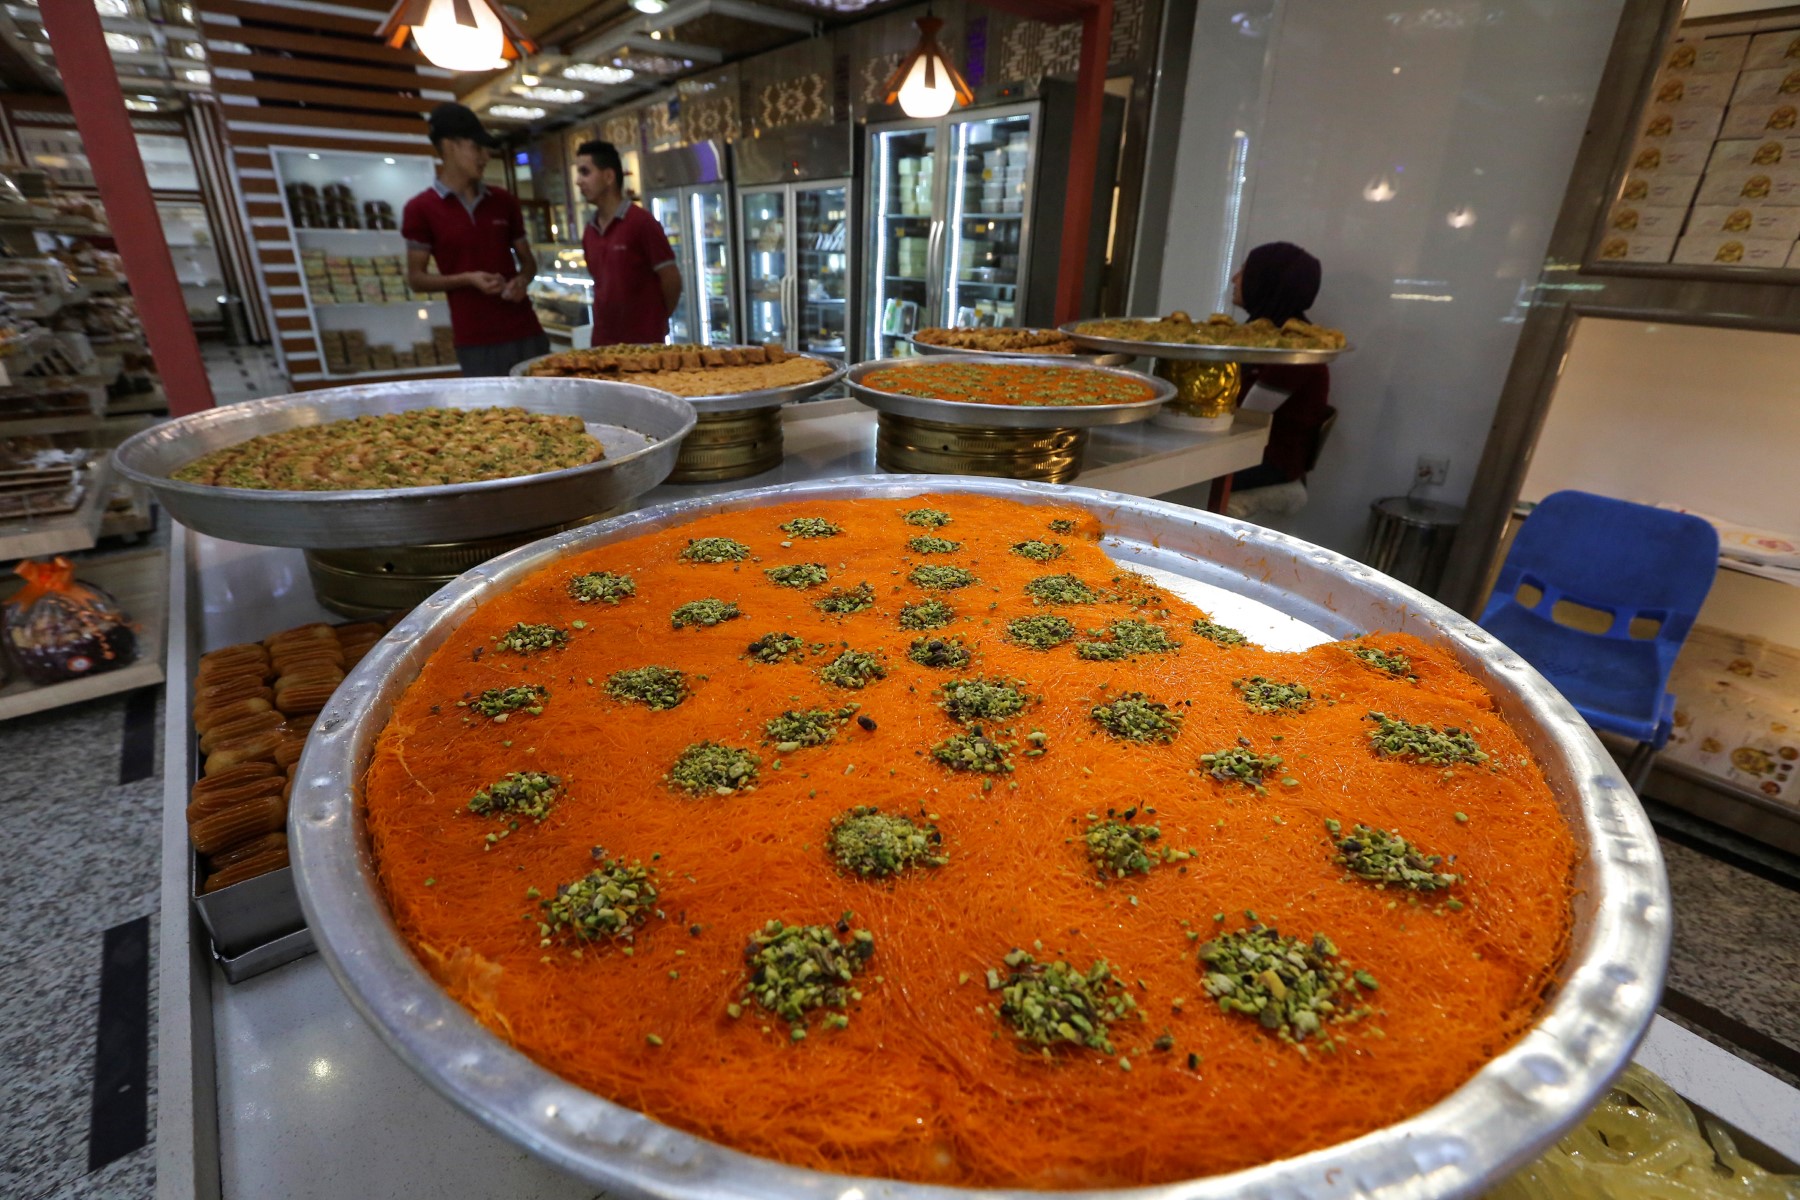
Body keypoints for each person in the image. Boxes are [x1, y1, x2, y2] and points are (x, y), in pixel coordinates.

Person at [401, 103, 547, 376]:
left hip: (527, 331)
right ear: (449, 147)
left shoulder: (503, 201)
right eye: (476, 147)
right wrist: (468, 279)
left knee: (551, 413)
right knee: (495, 415)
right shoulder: (420, 209)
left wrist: (522, 280)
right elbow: (416, 279)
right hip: (476, 341)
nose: (485, 156)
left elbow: (529, 263)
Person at [1227, 242, 1333, 503]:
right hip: (1247, 451)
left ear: (1266, 282)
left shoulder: (1295, 350)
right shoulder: (1264, 335)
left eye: (1244, 271)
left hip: (1269, 461)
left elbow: (1244, 418)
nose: (1234, 279)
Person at [573, 139, 682, 344]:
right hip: (603, 342)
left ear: (608, 177)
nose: (578, 181)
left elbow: (672, 280)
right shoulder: (590, 230)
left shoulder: (641, 222)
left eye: (585, 172)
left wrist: (657, 319)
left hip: (642, 343)